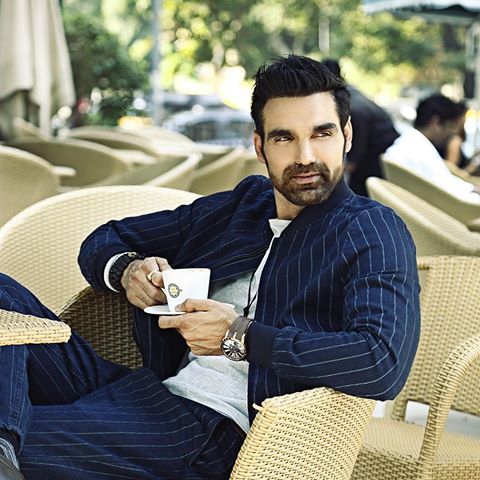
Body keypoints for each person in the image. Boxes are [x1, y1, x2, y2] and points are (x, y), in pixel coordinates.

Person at [0, 54, 421, 480]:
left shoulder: (372, 230)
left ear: (346, 136)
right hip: (147, 393)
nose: (305, 155)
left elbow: (380, 362)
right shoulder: (244, 206)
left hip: (214, 431)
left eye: (321, 133)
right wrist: (128, 270)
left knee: (21, 438)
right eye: (284, 138)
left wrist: (238, 336)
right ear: (260, 146)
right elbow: (107, 238)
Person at [323, 59, 399, 197]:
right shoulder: (348, 91)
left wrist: (350, 164)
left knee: (358, 189)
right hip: (381, 147)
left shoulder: (352, 107)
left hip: (381, 150)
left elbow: (358, 146)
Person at [385, 93, 480, 203]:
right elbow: (449, 191)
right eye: (449, 126)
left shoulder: (408, 144)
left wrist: (471, 188)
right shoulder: (420, 151)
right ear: (436, 123)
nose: (449, 133)